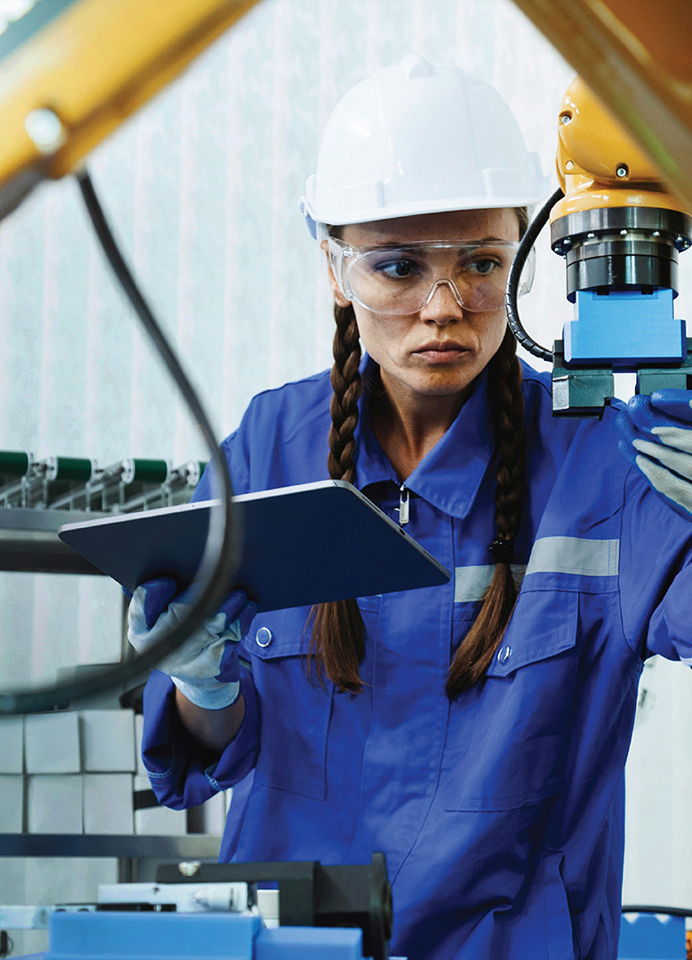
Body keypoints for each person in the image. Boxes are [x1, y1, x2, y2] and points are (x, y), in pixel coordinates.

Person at [133, 56, 692, 959]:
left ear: (519, 259)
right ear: (334, 267)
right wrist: (202, 683)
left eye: (480, 264)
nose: (445, 309)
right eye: (397, 267)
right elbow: (209, 752)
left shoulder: (604, 461)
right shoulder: (267, 450)